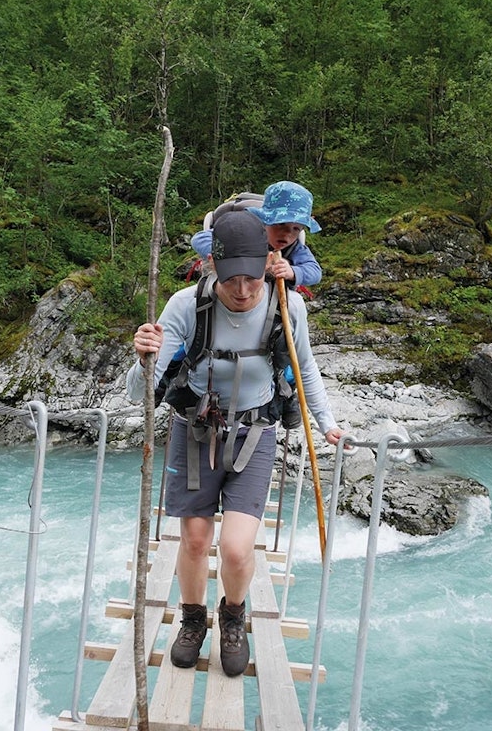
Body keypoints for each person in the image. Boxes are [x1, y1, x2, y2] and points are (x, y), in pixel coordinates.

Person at [127, 210, 345, 677]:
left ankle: (231, 616)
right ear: (213, 269)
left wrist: (326, 423)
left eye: (251, 279)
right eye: (231, 281)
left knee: (236, 548)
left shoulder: (289, 306)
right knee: (194, 538)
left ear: (269, 262)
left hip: (255, 433)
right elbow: (136, 391)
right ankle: (191, 620)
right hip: (194, 430)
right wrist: (143, 356)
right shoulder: (187, 305)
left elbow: (305, 370)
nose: (243, 291)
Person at [191, 180, 323, 291]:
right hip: (229, 292)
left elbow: (315, 272)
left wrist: (293, 272)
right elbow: (200, 239)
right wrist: (234, 255)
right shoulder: (244, 229)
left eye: (296, 229)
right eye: (281, 224)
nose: (287, 234)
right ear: (265, 220)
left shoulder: (295, 248)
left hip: (272, 303)